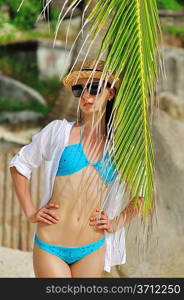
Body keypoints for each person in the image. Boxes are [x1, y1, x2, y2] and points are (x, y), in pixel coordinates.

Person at [9, 59, 143, 278]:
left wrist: (117, 222)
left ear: (110, 93)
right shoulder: (58, 131)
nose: (85, 96)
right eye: (79, 90)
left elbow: (143, 193)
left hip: (92, 247)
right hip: (51, 246)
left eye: (93, 88)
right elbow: (19, 165)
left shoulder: (122, 147)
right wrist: (30, 211)